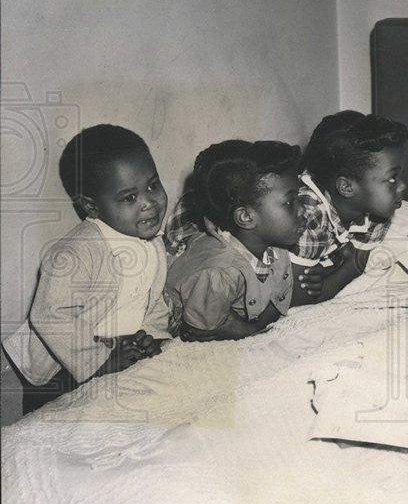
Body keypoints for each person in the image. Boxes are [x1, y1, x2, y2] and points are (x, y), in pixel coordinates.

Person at [3, 125, 173, 411]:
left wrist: (153, 338)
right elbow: (50, 316)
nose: (149, 203)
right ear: (91, 207)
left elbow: (151, 302)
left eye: (153, 185)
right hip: (62, 368)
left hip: (115, 350)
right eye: (129, 197)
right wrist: (99, 361)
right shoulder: (74, 254)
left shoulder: (153, 244)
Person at [165, 140, 304, 342]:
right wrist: (249, 330)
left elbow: (278, 299)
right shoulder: (220, 273)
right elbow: (202, 329)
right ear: (246, 218)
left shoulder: (275, 248)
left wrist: (256, 325)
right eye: (290, 202)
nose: (302, 209)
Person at [290, 111, 408, 304]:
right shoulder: (309, 214)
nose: (403, 186)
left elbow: (358, 261)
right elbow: (294, 297)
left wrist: (335, 270)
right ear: (347, 187)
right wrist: (345, 267)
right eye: (392, 179)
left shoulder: (377, 212)